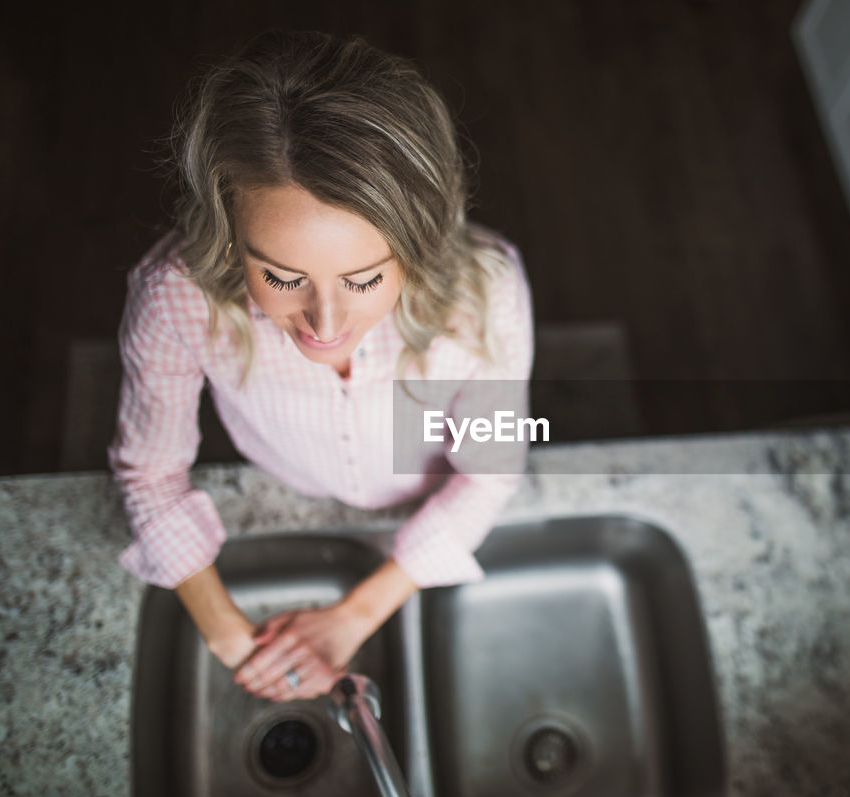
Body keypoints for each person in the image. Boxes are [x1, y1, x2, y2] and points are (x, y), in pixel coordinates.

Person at [108, 30, 534, 703]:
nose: (325, 326)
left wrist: (356, 613)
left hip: (422, 487)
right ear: (227, 233)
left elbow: (491, 468)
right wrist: (228, 635)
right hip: (287, 474)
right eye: (281, 275)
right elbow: (150, 471)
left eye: (365, 280)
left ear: (416, 243)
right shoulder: (175, 297)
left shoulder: (486, 292)